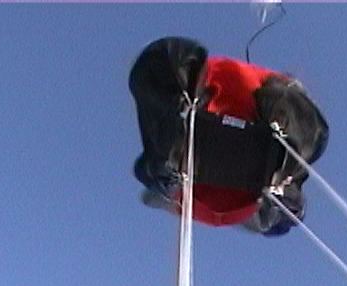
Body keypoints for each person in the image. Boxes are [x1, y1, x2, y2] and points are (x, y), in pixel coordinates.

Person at [129, 36, 328, 235]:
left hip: (240, 181)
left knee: (308, 131)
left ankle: (281, 173)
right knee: (161, 61)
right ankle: (172, 152)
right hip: (203, 160)